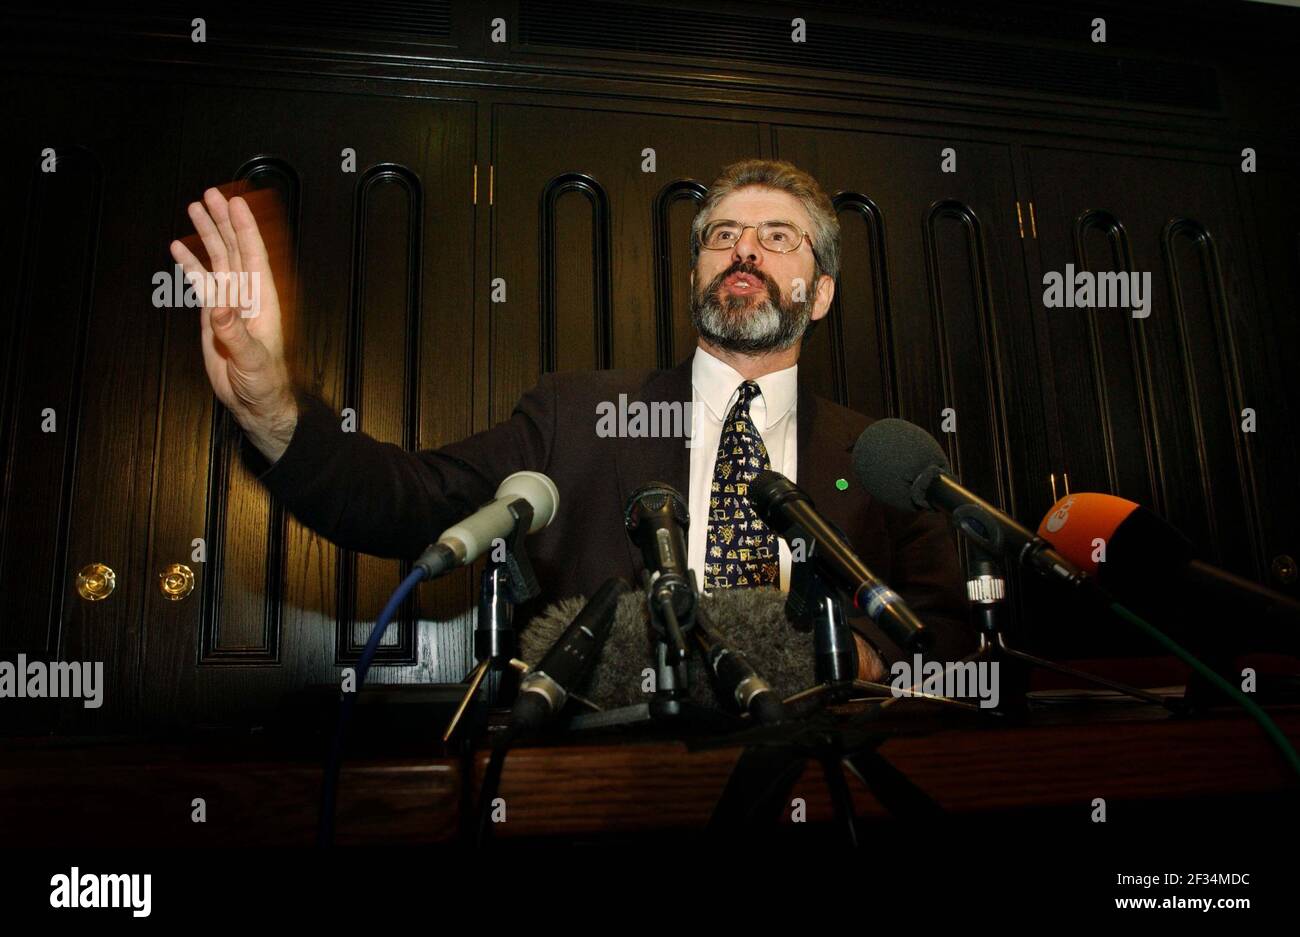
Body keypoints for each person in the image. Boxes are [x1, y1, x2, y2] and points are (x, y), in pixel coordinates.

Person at [169, 159, 975, 681]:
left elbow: (945, 631)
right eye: (721, 237)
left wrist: (868, 659)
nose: (744, 252)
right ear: (695, 274)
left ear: (822, 292)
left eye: (776, 238)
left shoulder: (882, 456)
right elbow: (409, 497)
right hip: (615, 784)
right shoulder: (579, 414)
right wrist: (272, 408)